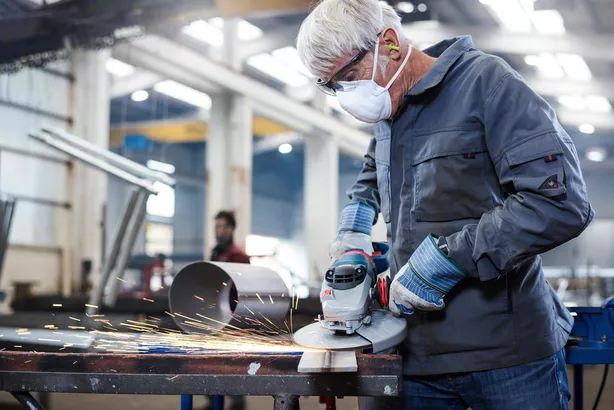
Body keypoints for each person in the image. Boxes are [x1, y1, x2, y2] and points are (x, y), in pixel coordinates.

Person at [297, 1, 593, 409]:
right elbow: (372, 176)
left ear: (389, 45)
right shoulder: (389, 108)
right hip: (410, 351)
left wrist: (448, 260)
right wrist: (354, 230)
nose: (346, 94)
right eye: (333, 86)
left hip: (505, 356)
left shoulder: (488, 86)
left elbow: (560, 204)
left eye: (348, 76)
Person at [207, 210, 249, 410]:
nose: (219, 230)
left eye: (223, 226)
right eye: (217, 226)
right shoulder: (216, 252)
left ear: (231, 228)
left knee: (232, 363)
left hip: (231, 316)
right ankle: (213, 402)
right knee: (210, 361)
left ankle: (238, 403)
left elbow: (242, 290)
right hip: (214, 315)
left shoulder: (238, 256)